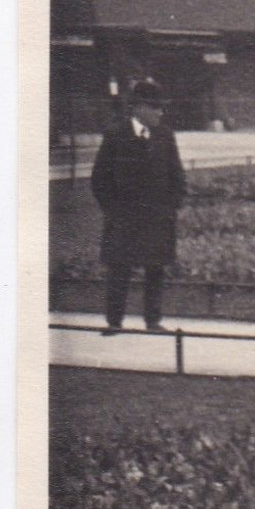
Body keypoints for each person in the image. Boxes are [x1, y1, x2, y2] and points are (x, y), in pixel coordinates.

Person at [90, 80, 186, 336]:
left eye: (161, 108)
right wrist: (113, 211)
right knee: (119, 270)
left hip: (157, 218)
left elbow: (177, 176)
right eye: (155, 108)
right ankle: (114, 322)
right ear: (139, 108)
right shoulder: (115, 135)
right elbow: (99, 180)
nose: (160, 113)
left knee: (155, 269)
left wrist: (171, 208)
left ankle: (153, 321)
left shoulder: (165, 135)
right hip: (124, 219)